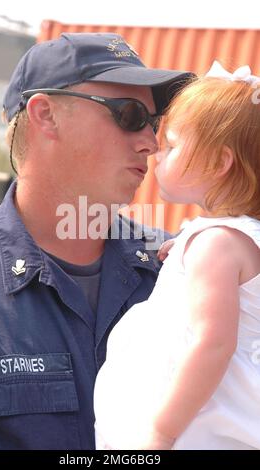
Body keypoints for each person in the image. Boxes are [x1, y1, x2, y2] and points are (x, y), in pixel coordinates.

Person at [0, 32, 193, 450]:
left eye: (154, 123)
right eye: (128, 115)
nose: (151, 143)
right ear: (46, 115)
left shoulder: (183, 269)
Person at [94, 60, 260, 450]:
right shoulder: (223, 239)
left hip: (194, 432)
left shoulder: (216, 245)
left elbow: (212, 344)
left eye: (171, 145)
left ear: (220, 163)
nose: (156, 153)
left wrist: (161, 433)